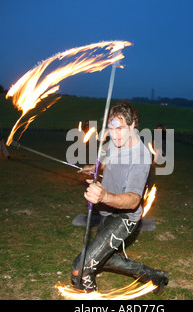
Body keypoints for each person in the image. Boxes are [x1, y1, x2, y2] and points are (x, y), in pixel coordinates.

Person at [72, 101, 168, 294]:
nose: (114, 134)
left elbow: (133, 200)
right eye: (111, 128)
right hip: (108, 212)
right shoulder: (116, 142)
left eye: (121, 128)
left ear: (133, 125)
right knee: (104, 259)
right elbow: (110, 159)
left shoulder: (140, 156)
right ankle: (156, 277)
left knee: (80, 269)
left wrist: (104, 195)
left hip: (125, 218)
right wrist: (95, 167)